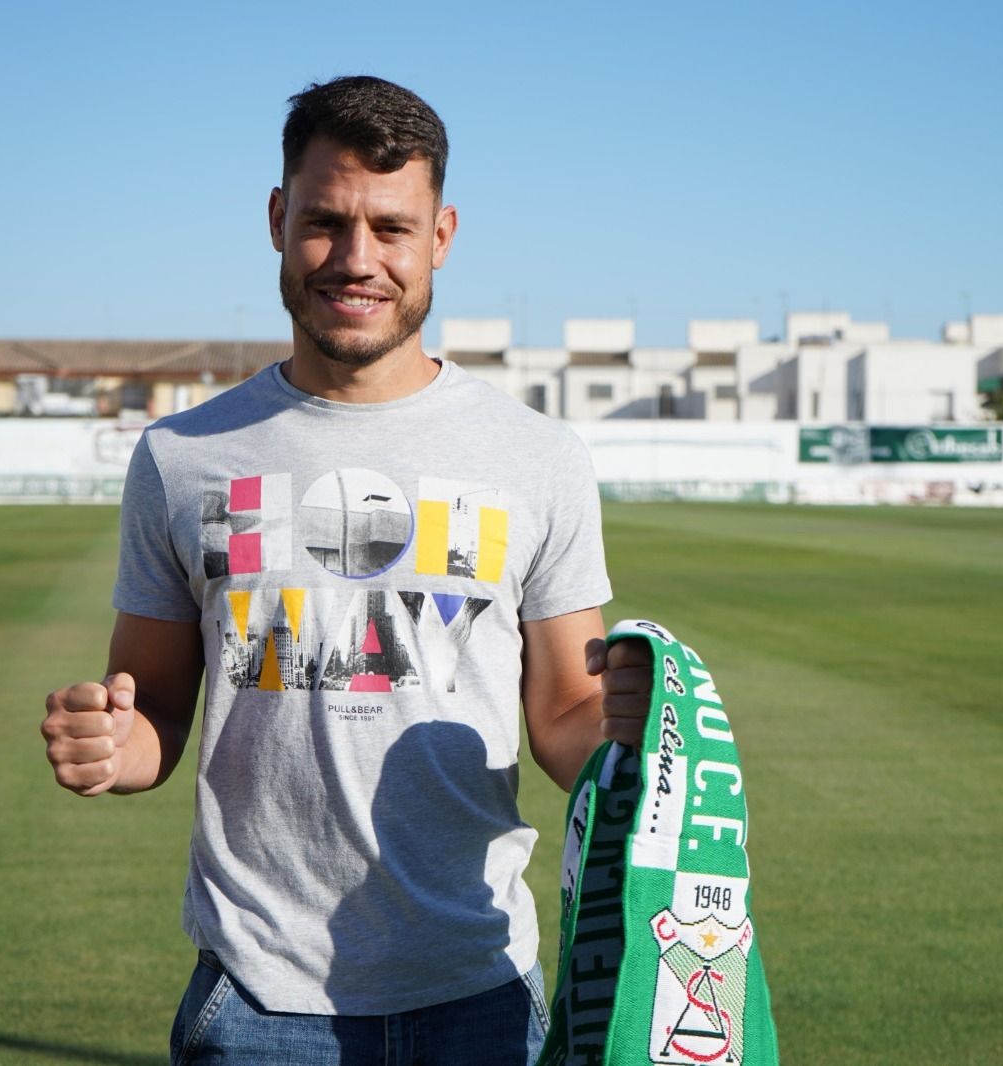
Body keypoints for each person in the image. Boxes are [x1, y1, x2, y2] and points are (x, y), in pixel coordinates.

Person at [39, 75, 651, 1065]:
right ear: (279, 219)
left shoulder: (539, 456)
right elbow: (152, 706)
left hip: (480, 990)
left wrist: (639, 743)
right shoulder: (182, 455)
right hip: (257, 1001)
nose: (356, 260)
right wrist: (113, 745)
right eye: (325, 221)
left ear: (441, 235)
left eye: (392, 229)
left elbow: (564, 716)